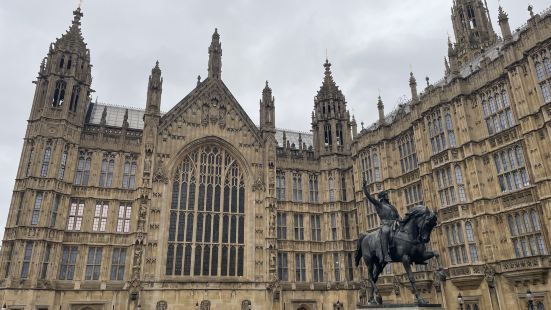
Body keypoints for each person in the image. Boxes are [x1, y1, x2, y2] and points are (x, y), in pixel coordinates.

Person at [362, 179, 401, 263]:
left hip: (395, 224)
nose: (388, 196)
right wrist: (364, 188)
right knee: (385, 231)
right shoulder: (379, 205)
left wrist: (401, 221)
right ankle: (386, 255)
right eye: (386, 195)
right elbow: (370, 198)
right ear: (383, 197)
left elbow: (398, 216)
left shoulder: (392, 207)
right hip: (386, 225)